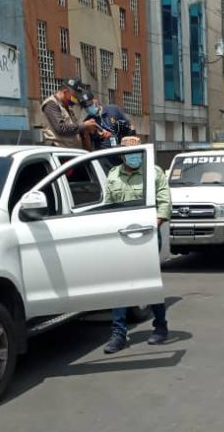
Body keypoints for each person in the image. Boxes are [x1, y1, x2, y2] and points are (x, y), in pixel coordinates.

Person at [103, 136, 172, 354]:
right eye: (128, 153)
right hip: (120, 235)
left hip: (146, 234)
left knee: (148, 281)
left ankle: (160, 326)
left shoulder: (154, 172)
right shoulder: (113, 174)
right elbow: (106, 205)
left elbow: (164, 201)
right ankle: (119, 333)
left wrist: (154, 224)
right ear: (122, 154)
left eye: (136, 152)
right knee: (120, 283)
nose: (133, 156)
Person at [41, 80, 97, 150]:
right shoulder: (51, 104)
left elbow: (74, 128)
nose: (76, 99)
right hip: (59, 151)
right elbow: (60, 128)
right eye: (74, 96)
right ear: (65, 91)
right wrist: (84, 125)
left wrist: (86, 129)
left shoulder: (67, 107)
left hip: (71, 151)